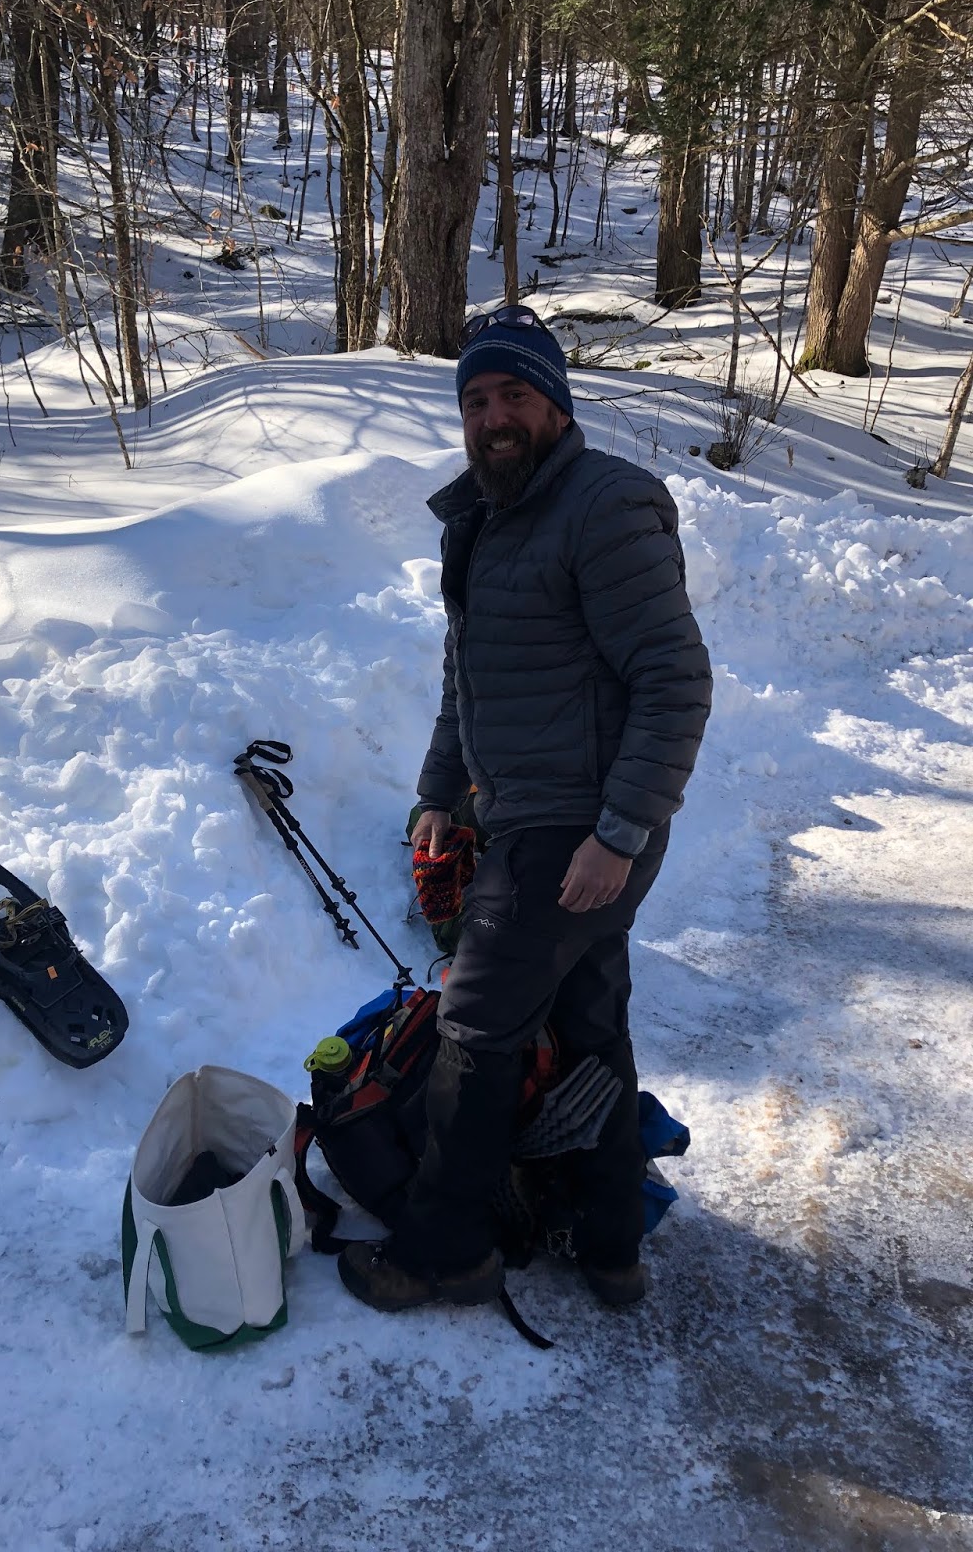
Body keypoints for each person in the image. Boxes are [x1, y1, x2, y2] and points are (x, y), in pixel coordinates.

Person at [338, 304, 712, 1312]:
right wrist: (438, 793)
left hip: (579, 831)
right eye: (475, 399)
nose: (493, 415)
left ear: (555, 403)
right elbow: (469, 683)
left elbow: (675, 681)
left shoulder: (604, 505)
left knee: (475, 1026)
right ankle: (609, 1243)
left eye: (513, 395)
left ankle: (443, 1249)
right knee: (590, 1027)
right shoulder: (487, 518)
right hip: (527, 822)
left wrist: (616, 835)